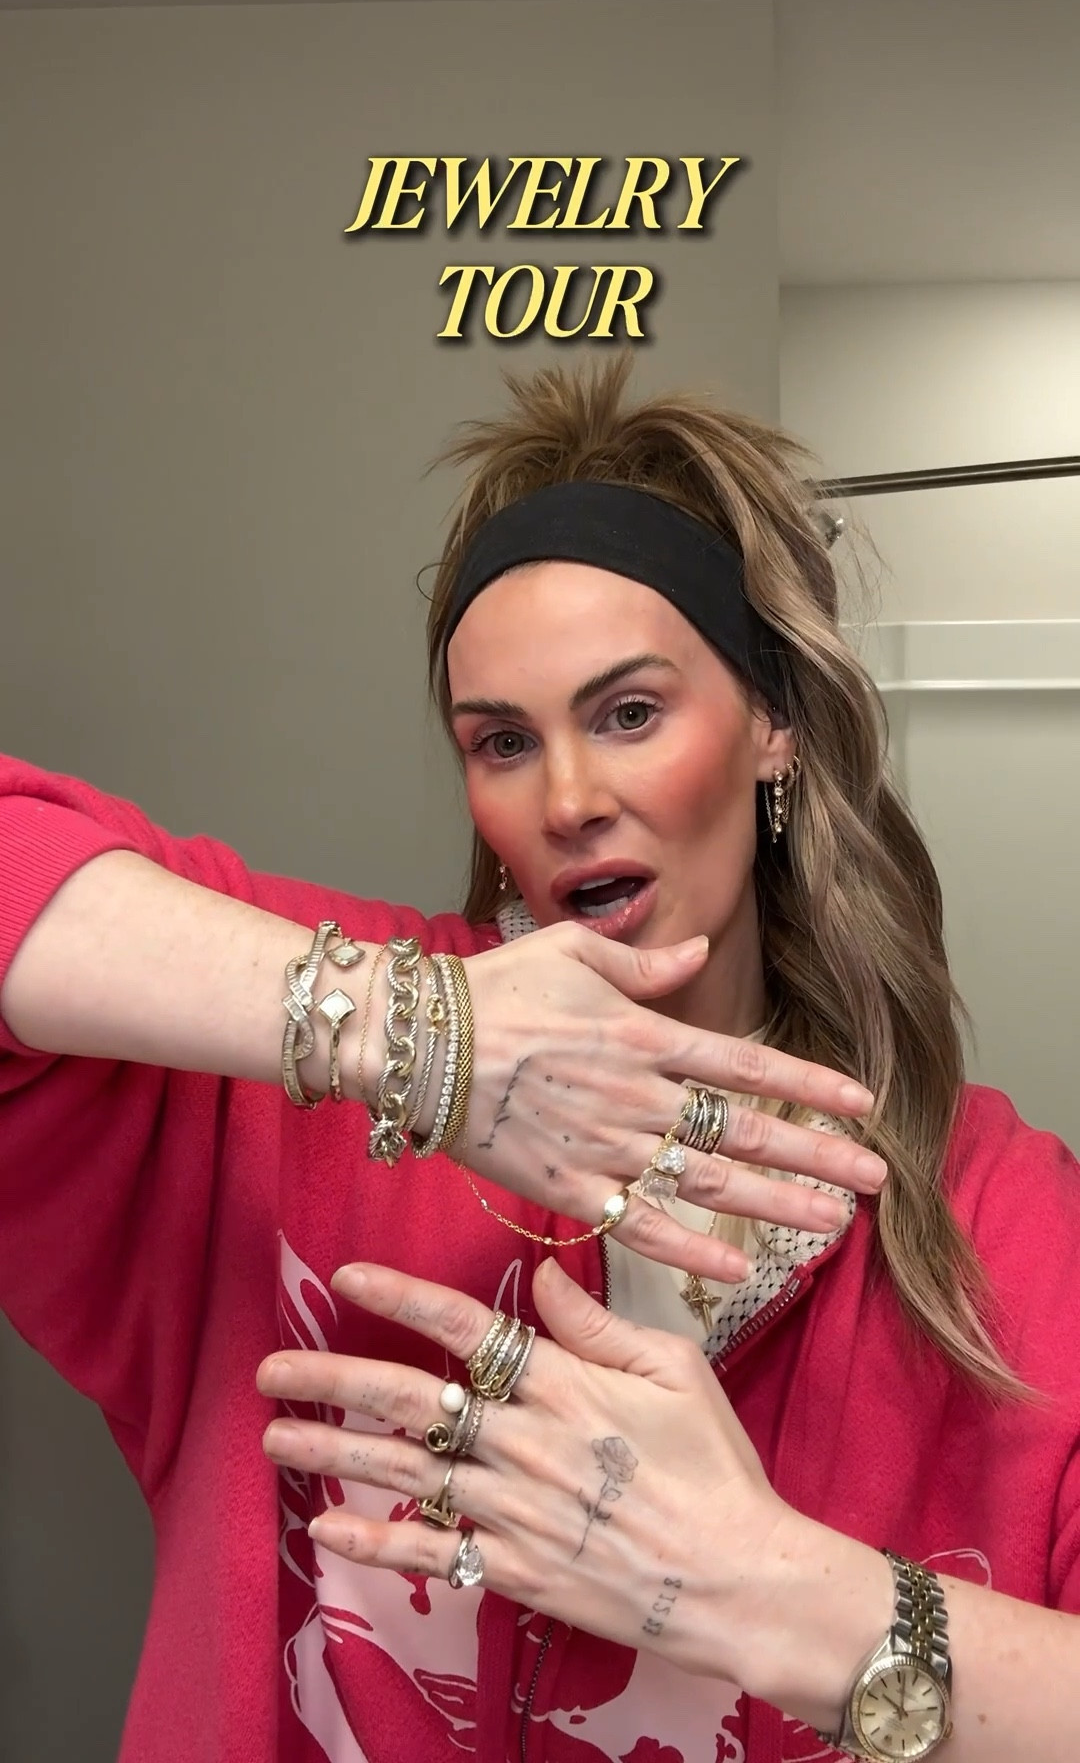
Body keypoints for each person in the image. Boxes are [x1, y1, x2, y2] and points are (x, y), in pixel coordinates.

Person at [0, 360, 1074, 1763]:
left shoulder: (1009, 1222)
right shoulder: (280, 1095)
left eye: (629, 714)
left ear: (773, 725)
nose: (567, 800)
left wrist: (762, 1588)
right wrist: (416, 1038)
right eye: (504, 741)